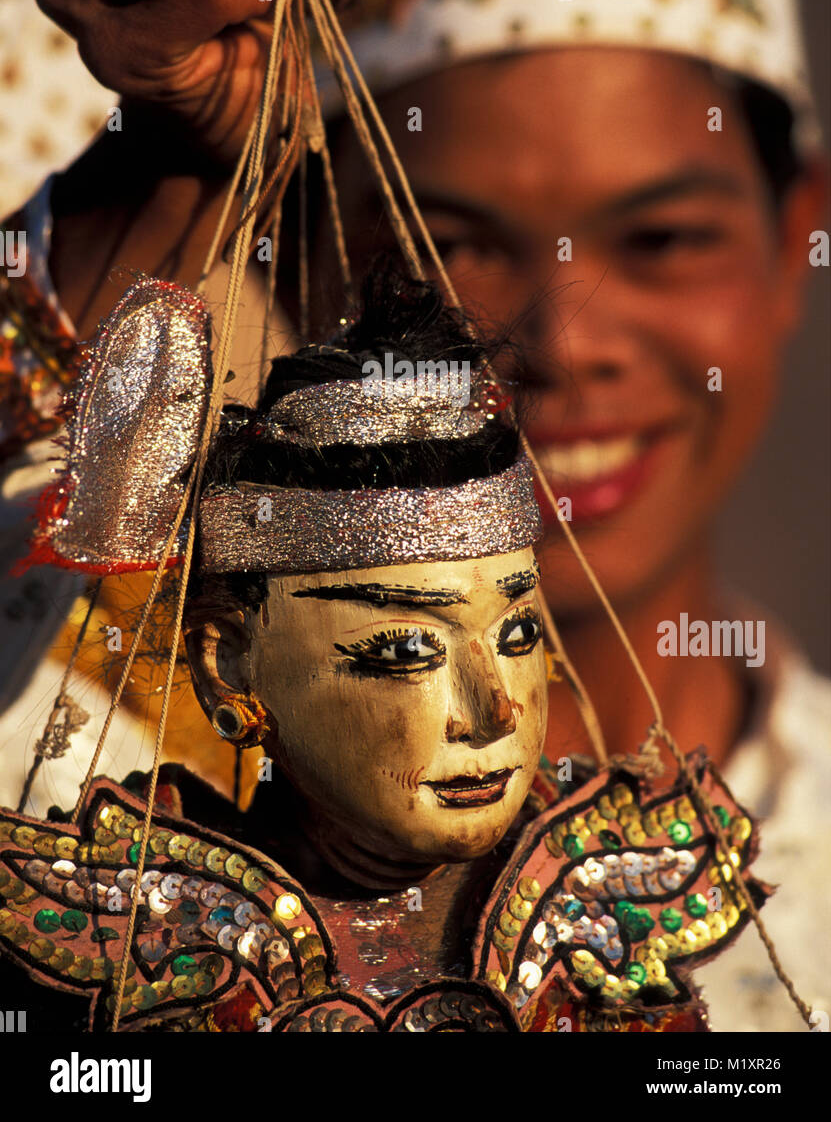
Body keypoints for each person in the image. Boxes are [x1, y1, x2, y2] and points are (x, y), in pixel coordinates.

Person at [0, 0, 827, 1029]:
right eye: (453, 243)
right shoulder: (69, 790)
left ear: (792, 239)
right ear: (325, 257)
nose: (564, 340)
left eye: (660, 236)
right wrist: (147, 185)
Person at [0, 263, 764, 1032]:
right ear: (229, 665)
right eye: (403, 650)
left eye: (518, 633)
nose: (493, 709)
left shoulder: (600, 902)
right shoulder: (138, 926)